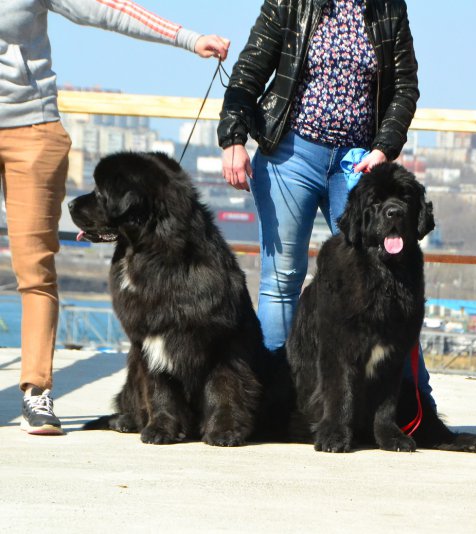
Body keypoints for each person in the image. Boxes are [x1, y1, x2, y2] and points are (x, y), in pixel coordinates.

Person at [1, 0, 230, 435]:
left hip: (30, 128)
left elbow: (106, 9)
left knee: (34, 265)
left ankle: (36, 390)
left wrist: (188, 38)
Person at [218, 0, 436, 404]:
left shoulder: (388, 7)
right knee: (281, 281)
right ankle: (271, 403)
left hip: (358, 162)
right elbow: (248, 71)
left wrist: (384, 148)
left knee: (387, 279)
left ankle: (415, 402)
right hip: (290, 154)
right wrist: (233, 138)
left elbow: (405, 87)